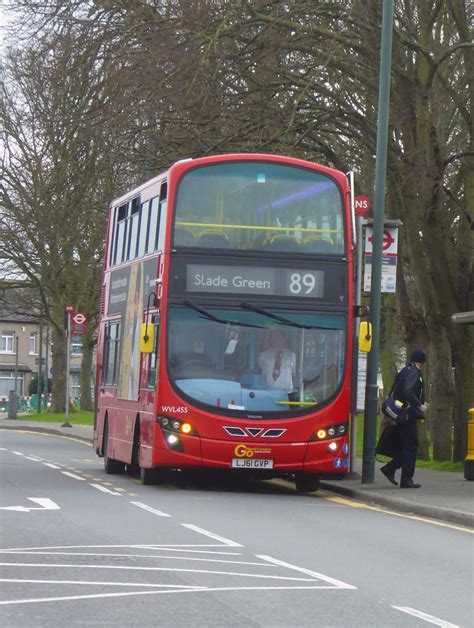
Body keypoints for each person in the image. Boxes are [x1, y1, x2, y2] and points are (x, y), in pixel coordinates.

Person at [380, 348, 428, 489]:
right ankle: (406, 479)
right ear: (422, 362)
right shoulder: (414, 373)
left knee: (406, 446)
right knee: (411, 447)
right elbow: (408, 391)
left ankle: (390, 469)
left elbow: (395, 389)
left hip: (399, 413)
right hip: (407, 414)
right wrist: (420, 405)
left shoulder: (404, 370)